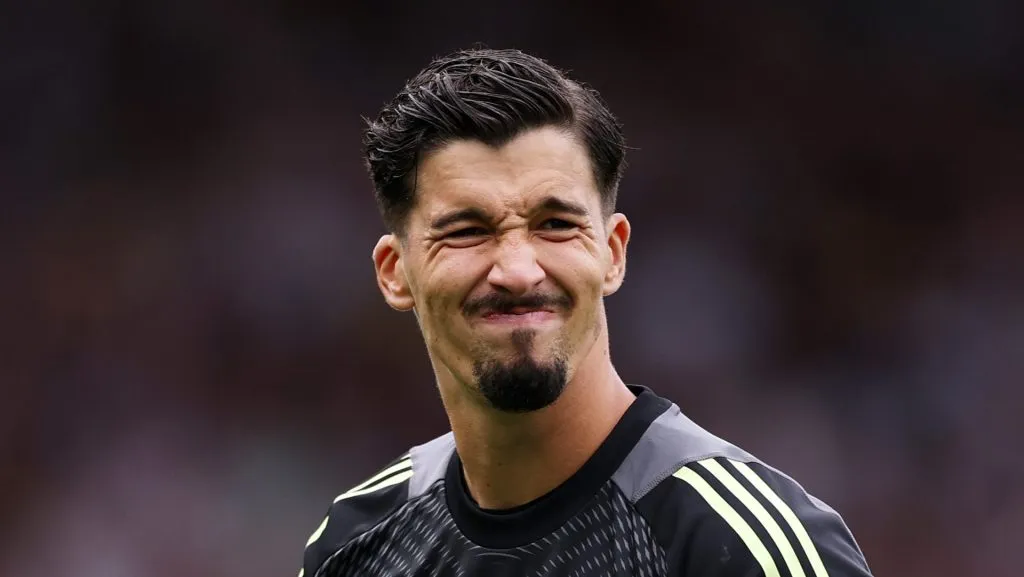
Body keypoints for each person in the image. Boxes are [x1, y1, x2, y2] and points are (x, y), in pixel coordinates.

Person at [298, 48, 873, 577]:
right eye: (468, 231)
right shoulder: (354, 546)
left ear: (612, 253)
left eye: (555, 225)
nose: (518, 270)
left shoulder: (741, 548)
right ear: (395, 271)